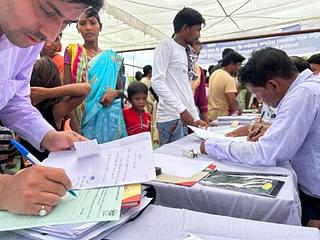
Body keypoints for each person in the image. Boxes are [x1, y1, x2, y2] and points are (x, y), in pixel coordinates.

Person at [0, 0, 103, 216]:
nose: (49, 34)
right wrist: (4, 190)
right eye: (46, 10)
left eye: (66, 22)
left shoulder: (28, 38)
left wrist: (48, 136)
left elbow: (13, 97)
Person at [200, 47, 320, 228]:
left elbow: (266, 153)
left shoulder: (302, 95)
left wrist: (212, 145)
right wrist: (273, 129)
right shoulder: (309, 88)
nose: (259, 100)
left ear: (273, 85)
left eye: (257, 94)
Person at [64, 8, 127, 143]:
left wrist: (115, 93)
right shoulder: (74, 53)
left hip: (111, 122)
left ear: (100, 27)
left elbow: (122, 91)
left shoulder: (112, 58)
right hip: (83, 121)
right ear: (77, 28)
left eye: (93, 23)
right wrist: (75, 128)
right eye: (83, 24)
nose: (88, 28)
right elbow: (66, 93)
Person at [152, 7, 207, 146]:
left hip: (182, 118)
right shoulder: (166, 46)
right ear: (185, 28)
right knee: (169, 163)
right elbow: (157, 82)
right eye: (197, 30)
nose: (198, 35)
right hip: (169, 119)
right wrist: (182, 110)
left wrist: (195, 117)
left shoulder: (185, 51)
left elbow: (185, 88)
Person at [21, 57, 91, 161]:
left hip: (31, 167)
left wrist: (45, 93)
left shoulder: (20, 109)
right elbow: (86, 89)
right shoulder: (56, 110)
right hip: (53, 165)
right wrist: (48, 93)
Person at [208, 51, 245, 121]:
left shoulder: (214, 73)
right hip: (222, 116)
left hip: (210, 114)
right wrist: (240, 111)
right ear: (231, 64)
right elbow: (232, 101)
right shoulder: (228, 79)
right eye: (238, 65)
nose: (239, 68)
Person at [190, 40, 208, 123]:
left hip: (192, 117)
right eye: (193, 54)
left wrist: (206, 122)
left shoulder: (198, 70)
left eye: (198, 54)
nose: (195, 58)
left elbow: (202, 100)